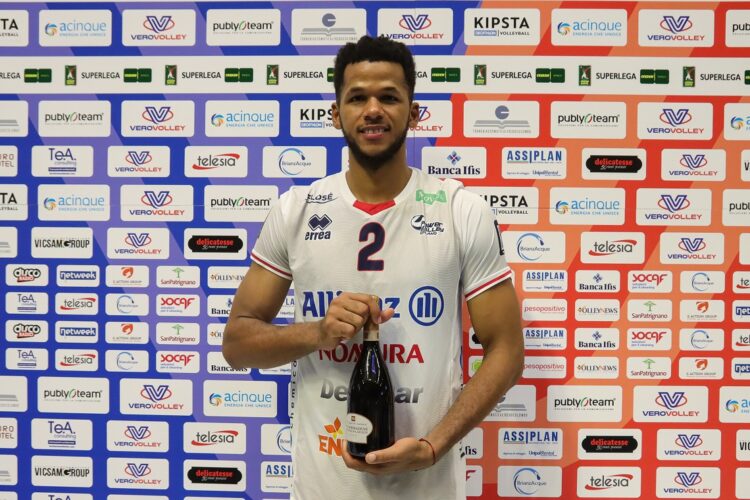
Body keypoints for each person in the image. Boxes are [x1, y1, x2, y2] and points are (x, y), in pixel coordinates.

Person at [223, 35, 524, 500]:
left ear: (415, 111)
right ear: (335, 113)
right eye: (357, 97)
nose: (373, 110)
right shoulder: (296, 210)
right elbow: (237, 345)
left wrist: (432, 446)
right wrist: (317, 333)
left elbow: (507, 351)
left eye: (389, 96)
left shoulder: (460, 210)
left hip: (427, 488)